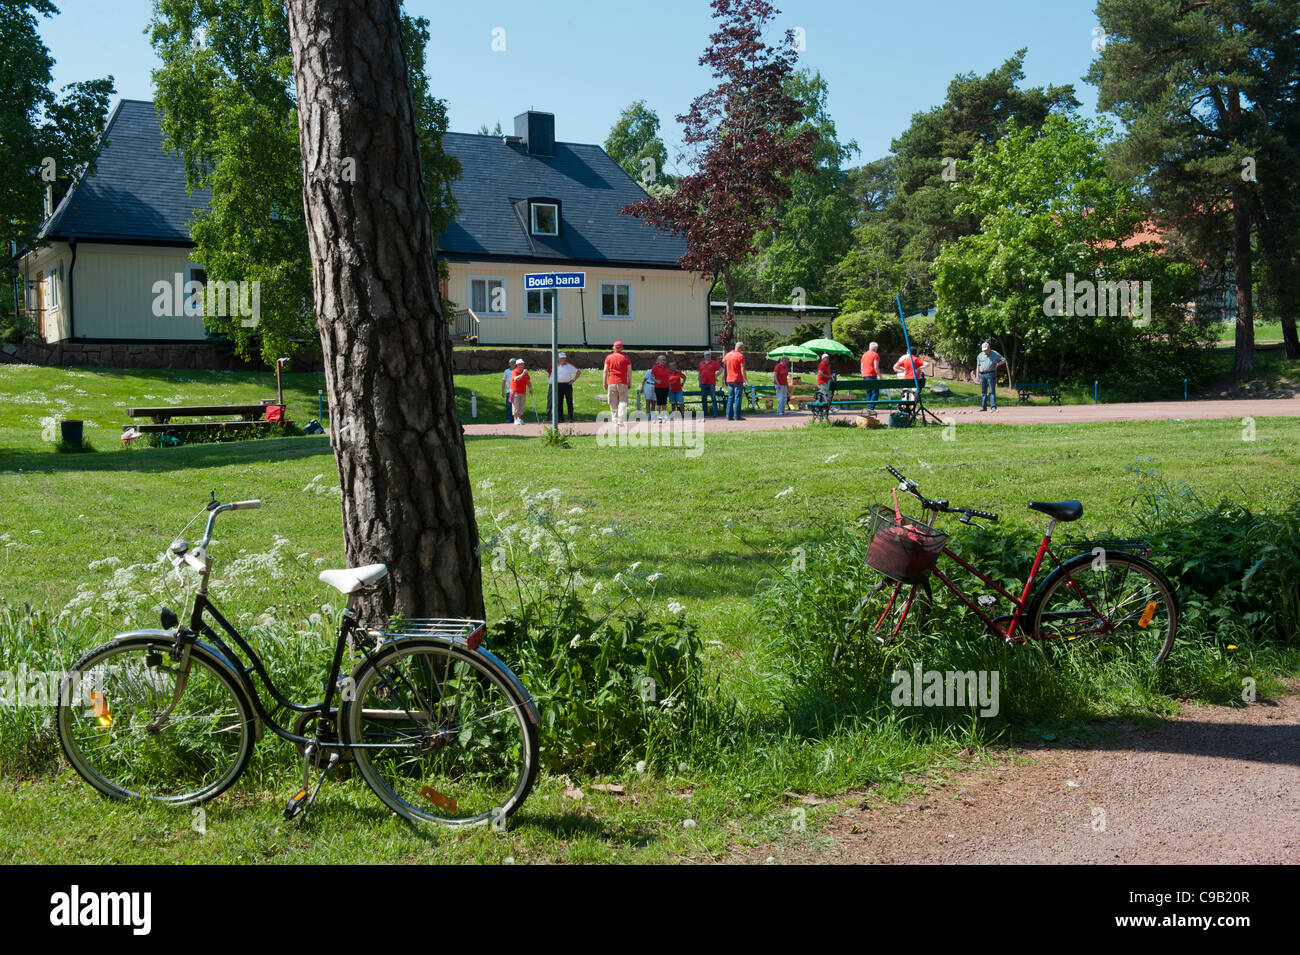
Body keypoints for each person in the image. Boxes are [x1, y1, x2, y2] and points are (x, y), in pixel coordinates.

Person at [603, 341, 632, 427]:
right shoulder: (626, 358)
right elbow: (629, 371)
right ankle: (620, 420)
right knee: (623, 401)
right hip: (622, 382)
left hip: (611, 381)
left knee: (613, 402)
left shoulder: (608, 357)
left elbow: (605, 371)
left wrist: (604, 382)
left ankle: (614, 419)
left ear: (613, 348)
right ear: (622, 348)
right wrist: (629, 382)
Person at [976, 341, 1006, 412]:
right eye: (984, 350)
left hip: (991, 374)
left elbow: (1004, 360)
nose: (985, 351)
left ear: (989, 348)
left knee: (992, 391)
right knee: (983, 392)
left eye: (986, 349)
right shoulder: (980, 355)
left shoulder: (995, 354)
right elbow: (978, 365)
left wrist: (997, 365)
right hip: (982, 375)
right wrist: (977, 375)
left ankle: (993, 407)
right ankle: (984, 407)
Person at [723, 341, 747, 421]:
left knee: (730, 398)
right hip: (738, 379)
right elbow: (742, 369)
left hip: (729, 379)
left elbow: (725, 362)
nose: (743, 350)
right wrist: (745, 380)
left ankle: (728, 416)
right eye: (742, 348)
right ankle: (737, 416)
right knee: (737, 398)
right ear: (740, 348)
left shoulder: (728, 354)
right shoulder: (740, 356)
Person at [554, 352, 580, 422]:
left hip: (567, 385)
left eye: (564, 358)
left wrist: (574, 379)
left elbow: (578, 371)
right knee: (559, 402)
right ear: (558, 359)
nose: (563, 359)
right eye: (561, 358)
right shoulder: (555, 366)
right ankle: (560, 418)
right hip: (558, 385)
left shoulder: (569, 365)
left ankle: (570, 418)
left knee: (569, 402)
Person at [697, 350, 723, 417]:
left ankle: (715, 414)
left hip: (711, 383)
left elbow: (721, 369)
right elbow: (699, 373)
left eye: (709, 355)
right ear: (704, 356)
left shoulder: (714, 363)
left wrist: (716, 375)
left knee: (713, 399)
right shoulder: (701, 363)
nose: (708, 356)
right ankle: (705, 414)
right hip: (703, 383)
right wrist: (699, 382)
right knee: (704, 399)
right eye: (707, 355)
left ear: (710, 356)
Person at [510, 358, 532, 425]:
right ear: (517, 365)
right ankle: (515, 419)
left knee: (521, 406)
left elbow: (528, 381)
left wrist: (530, 389)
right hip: (515, 391)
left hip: (523, 391)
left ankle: (519, 418)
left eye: (523, 364)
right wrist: (523, 374)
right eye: (521, 364)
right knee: (516, 406)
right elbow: (516, 379)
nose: (522, 365)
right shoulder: (514, 371)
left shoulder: (525, 372)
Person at [650, 354, 671, 421]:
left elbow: (668, 378)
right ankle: (659, 415)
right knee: (659, 401)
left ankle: (664, 414)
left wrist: (670, 386)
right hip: (658, 387)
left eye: (665, 360)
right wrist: (656, 380)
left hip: (666, 387)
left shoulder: (667, 368)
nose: (664, 361)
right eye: (662, 360)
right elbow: (651, 377)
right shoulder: (655, 368)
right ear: (658, 360)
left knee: (664, 401)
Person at [861, 341, 881, 411]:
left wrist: (862, 375)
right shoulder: (875, 355)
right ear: (876, 348)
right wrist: (880, 376)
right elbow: (876, 367)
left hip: (865, 375)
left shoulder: (864, 355)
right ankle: (871, 407)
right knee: (875, 392)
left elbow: (861, 367)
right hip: (872, 375)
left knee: (868, 392)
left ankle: (869, 407)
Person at [501, 358, 520, 423]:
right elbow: (503, 381)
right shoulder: (506, 371)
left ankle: (516, 418)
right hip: (509, 391)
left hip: (517, 391)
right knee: (509, 405)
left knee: (516, 405)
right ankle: (509, 418)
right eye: (510, 363)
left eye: (512, 363)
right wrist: (502, 391)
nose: (511, 364)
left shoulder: (518, 371)